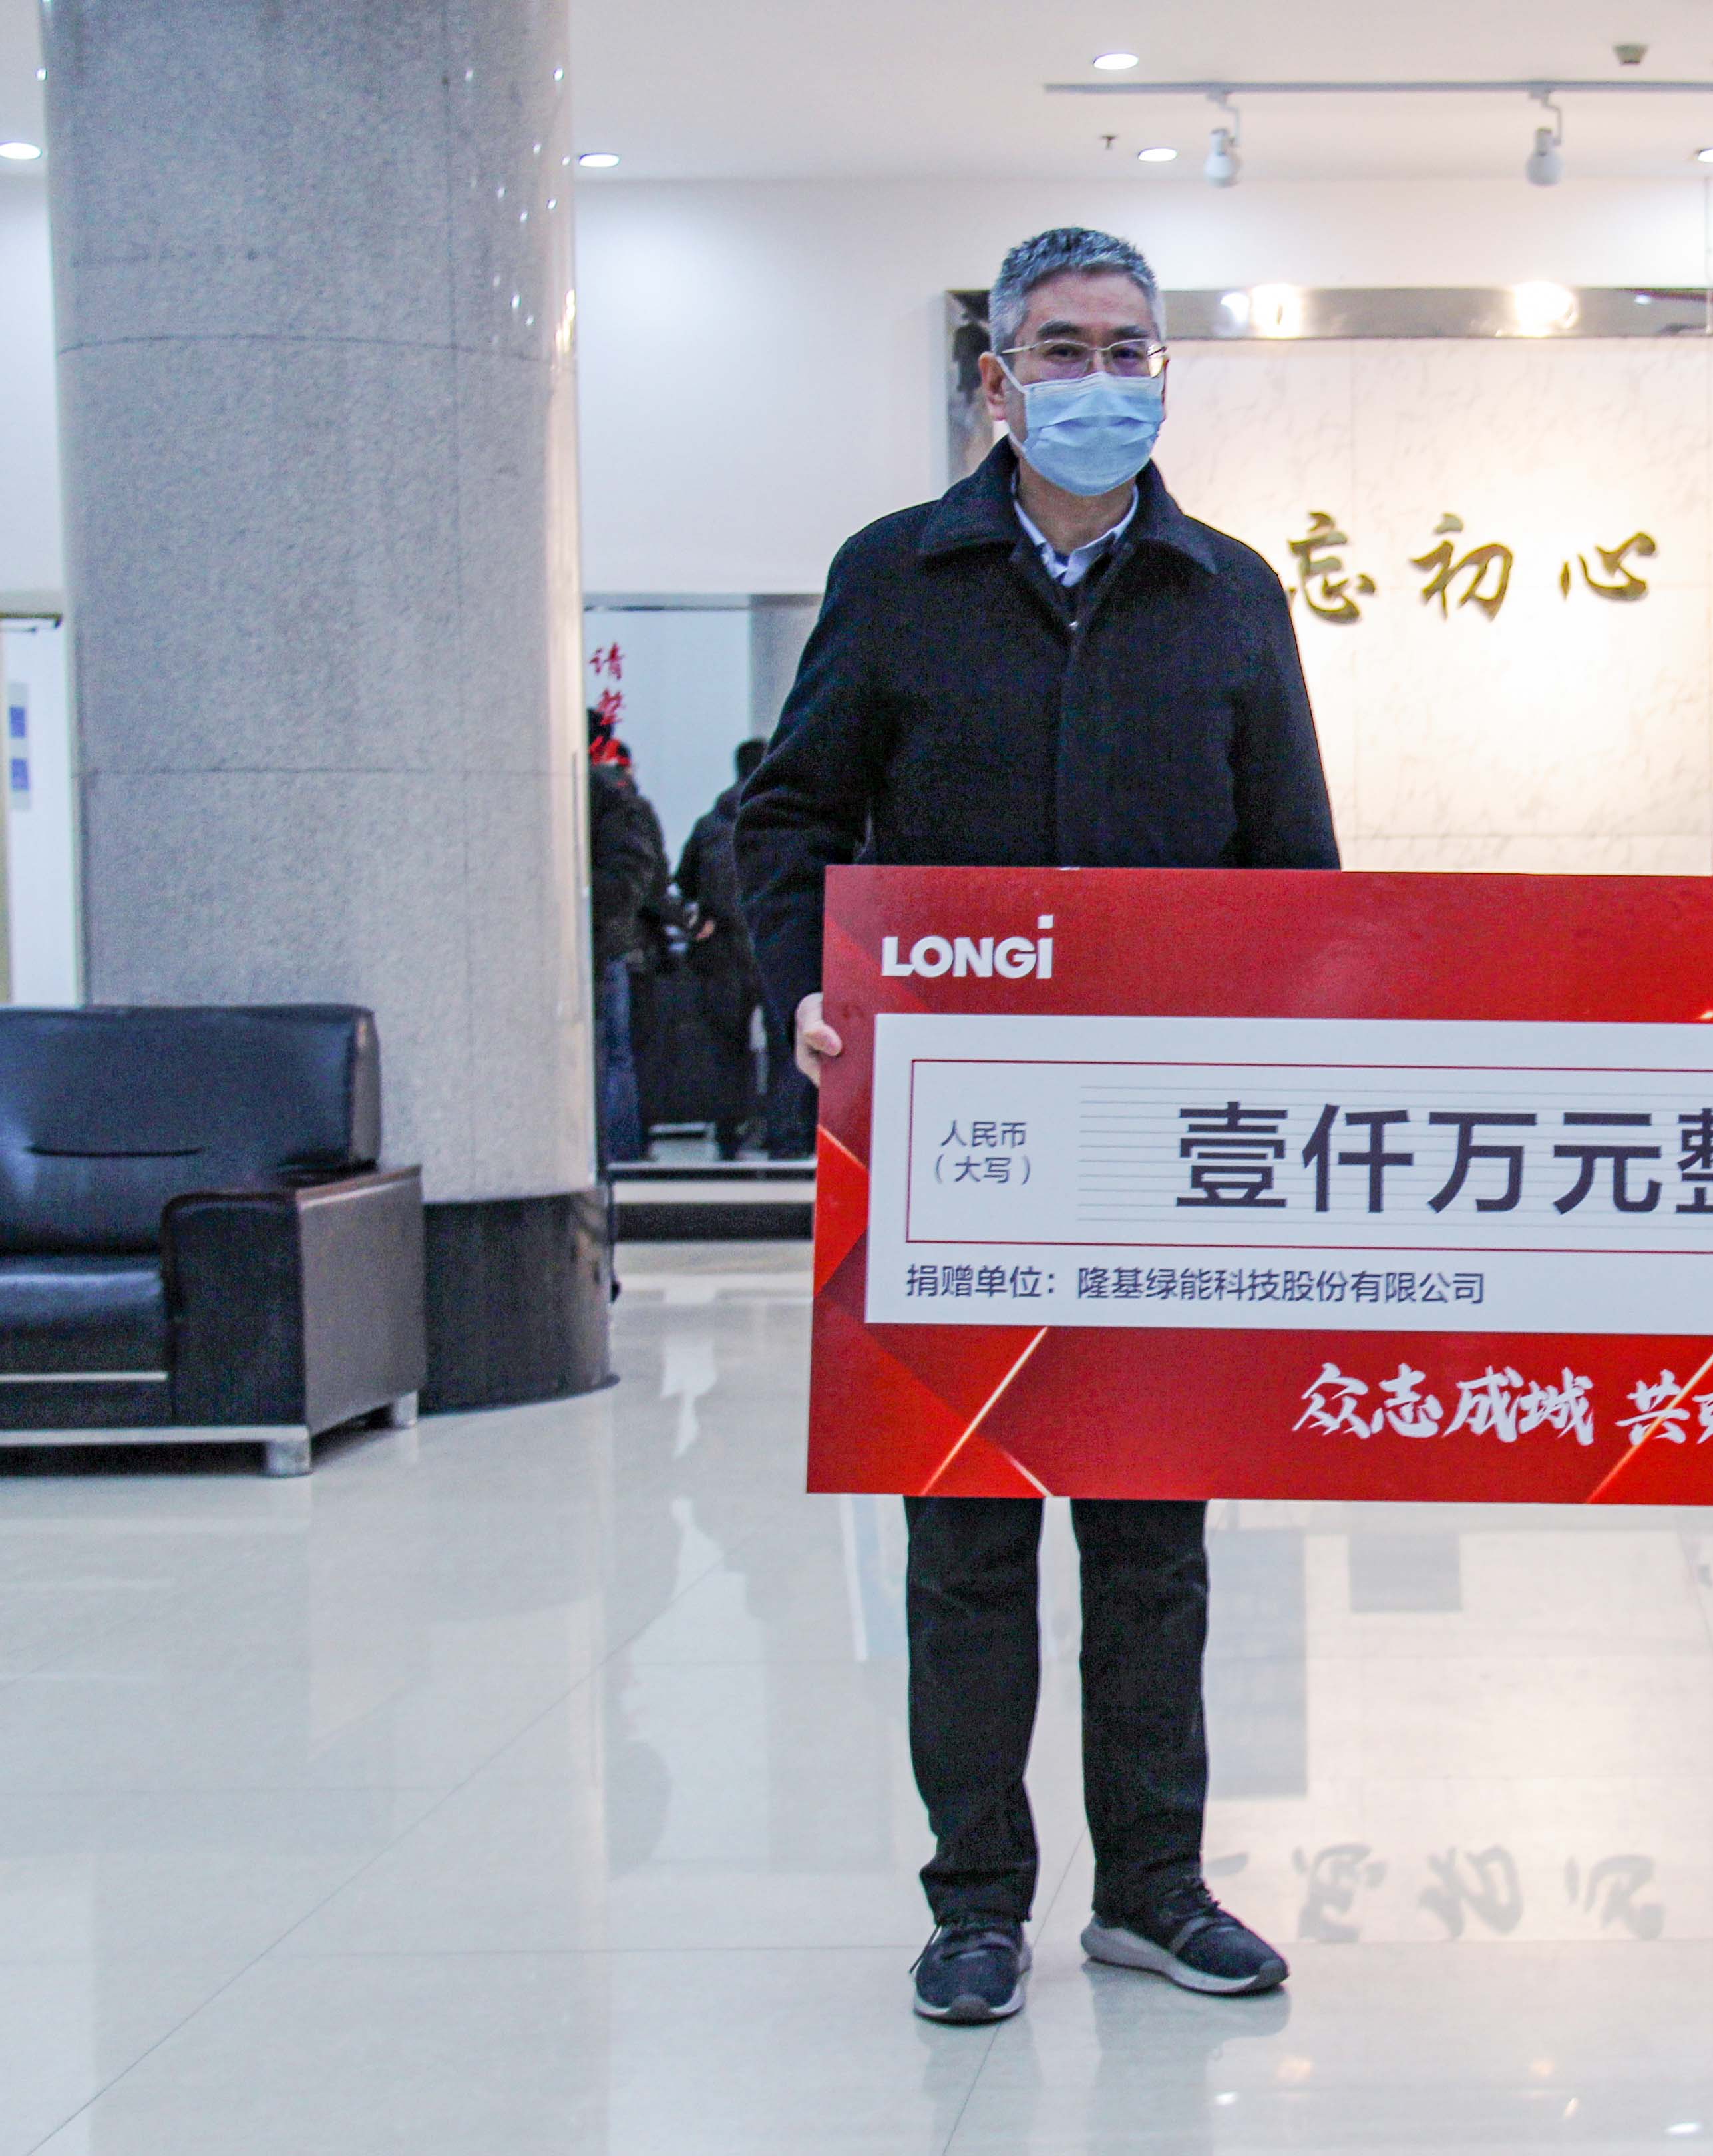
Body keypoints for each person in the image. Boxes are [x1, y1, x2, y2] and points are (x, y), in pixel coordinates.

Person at [737, 225, 1337, 2024]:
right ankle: (975, 1898)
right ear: (995, 381)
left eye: (1126, 348)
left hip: (1163, 1141)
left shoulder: (1227, 593)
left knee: (1154, 1536)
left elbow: (1292, 871)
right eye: (1060, 349)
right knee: (966, 1536)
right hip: (947, 1138)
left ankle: (1151, 1886)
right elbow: (788, 815)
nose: (1097, 379)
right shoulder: (895, 577)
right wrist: (802, 984)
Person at [675, 739, 767, 1159]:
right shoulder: (780, 818)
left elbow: (684, 880)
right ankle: (787, 1137)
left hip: (723, 949)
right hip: (770, 943)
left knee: (728, 1047)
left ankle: (729, 1134)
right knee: (788, 1044)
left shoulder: (710, 824)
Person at [585, 714, 668, 1172]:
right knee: (616, 1052)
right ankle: (619, 1149)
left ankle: (611, 1150)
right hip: (617, 941)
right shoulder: (620, 797)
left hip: (603, 941)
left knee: (609, 1050)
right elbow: (648, 874)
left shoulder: (602, 794)